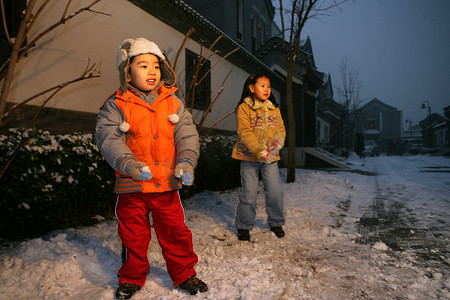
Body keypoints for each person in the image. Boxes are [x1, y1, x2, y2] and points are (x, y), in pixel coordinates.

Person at [95, 38, 207, 299]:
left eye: (156, 66)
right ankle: (131, 277)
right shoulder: (116, 104)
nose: (152, 71)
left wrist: (187, 161)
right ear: (127, 71)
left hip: (167, 183)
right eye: (143, 66)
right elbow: (108, 137)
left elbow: (187, 134)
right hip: (132, 185)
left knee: (175, 232)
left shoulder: (174, 104)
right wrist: (128, 164)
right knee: (133, 236)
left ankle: (185, 274)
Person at [231, 72, 287, 241]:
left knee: (275, 191)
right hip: (249, 158)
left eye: (268, 86)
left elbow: (281, 129)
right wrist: (257, 149)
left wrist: (277, 142)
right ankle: (244, 225)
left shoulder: (274, 109)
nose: (266, 89)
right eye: (262, 85)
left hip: (270, 158)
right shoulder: (244, 108)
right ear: (251, 88)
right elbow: (244, 132)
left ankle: (276, 222)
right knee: (249, 193)